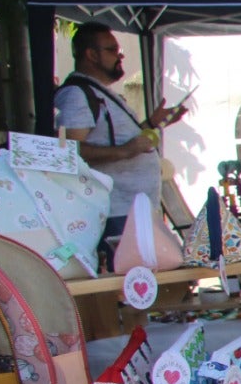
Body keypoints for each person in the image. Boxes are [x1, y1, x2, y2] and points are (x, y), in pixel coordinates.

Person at [54, 21, 175, 255]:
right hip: (113, 212)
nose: (119, 56)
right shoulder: (77, 95)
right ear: (91, 54)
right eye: (111, 50)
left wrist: (151, 124)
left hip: (133, 209)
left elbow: (116, 139)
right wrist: (124, 151)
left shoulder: (97, 91)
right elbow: (69, 151)